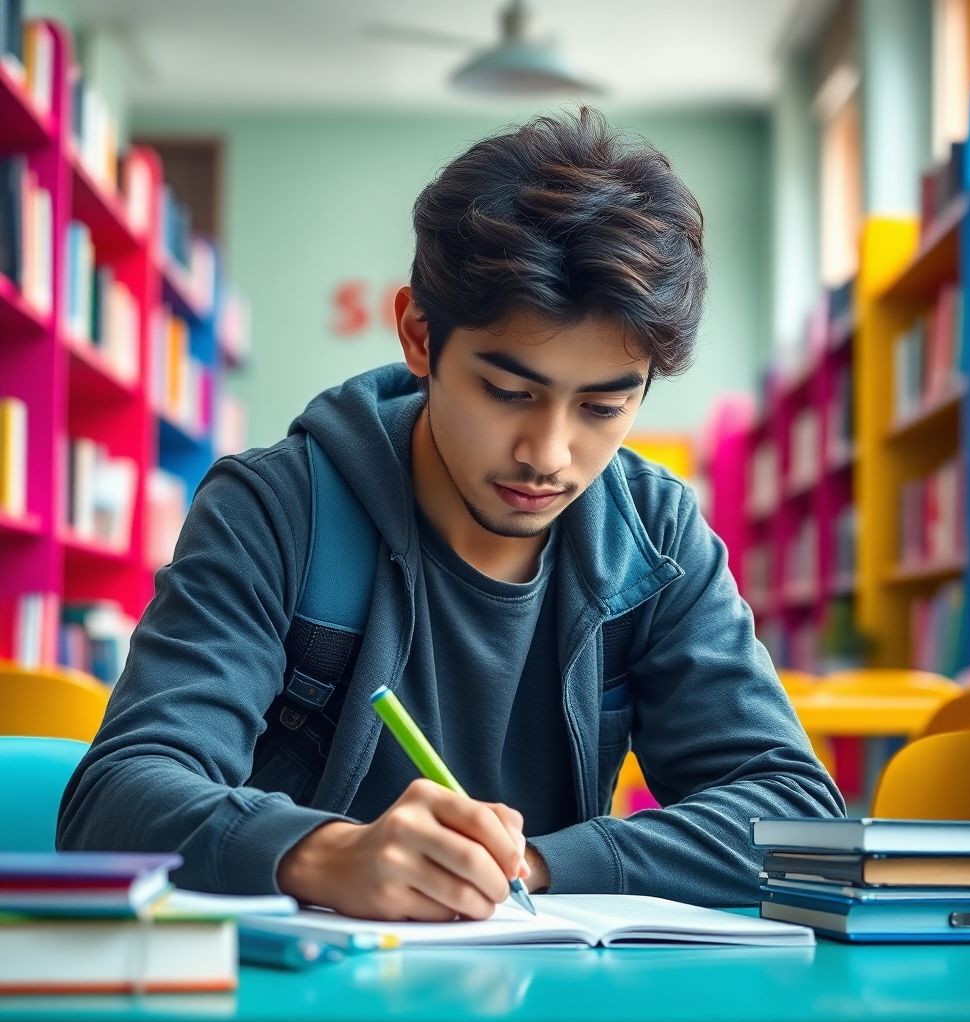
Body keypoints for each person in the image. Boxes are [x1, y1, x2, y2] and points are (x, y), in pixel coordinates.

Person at [58, 107, 844, 922]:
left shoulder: (656, 539)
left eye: (604, 407)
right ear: (418, 334)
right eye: (509, 393)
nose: (549, 452)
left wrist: (535, 865)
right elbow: (115, 800)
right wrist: (321, 852)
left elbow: (795, 818)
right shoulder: (276, 511)